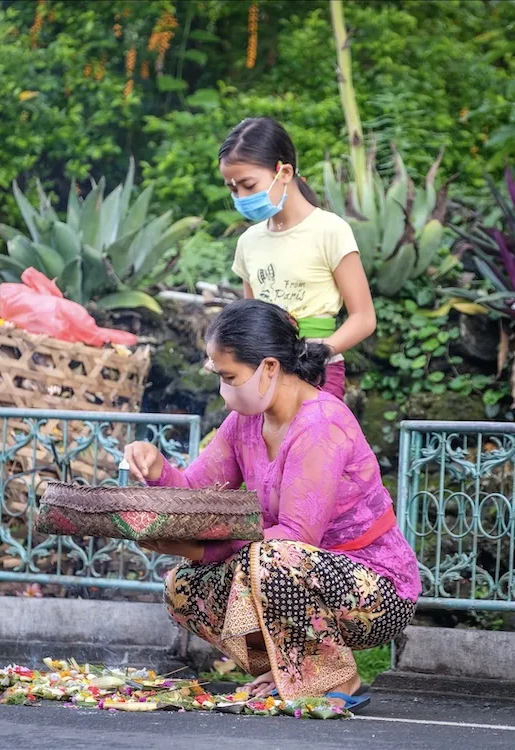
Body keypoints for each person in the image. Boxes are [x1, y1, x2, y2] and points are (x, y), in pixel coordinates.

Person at [124, 299, 420, 710]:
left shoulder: (321, 424)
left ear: (268, 367)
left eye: (229, 377)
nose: (224, 391)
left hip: (377, 591)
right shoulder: (245, 420)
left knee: (272, 560)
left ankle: (338, 678)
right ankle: (289, 666)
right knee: (183, 587)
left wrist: (202, 549)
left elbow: (297, 540)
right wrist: (157, 467)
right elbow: (195, 495)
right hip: (293, 573)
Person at [220, 116, 376, 401]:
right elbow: (251, 319)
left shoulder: (330, 230)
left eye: (248, 185)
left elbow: (364, 318)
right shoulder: (248, 242)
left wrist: (321, 351)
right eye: (233, 189)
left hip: (318, 376)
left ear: (285, 172)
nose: (241, 197)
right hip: (261, 379)